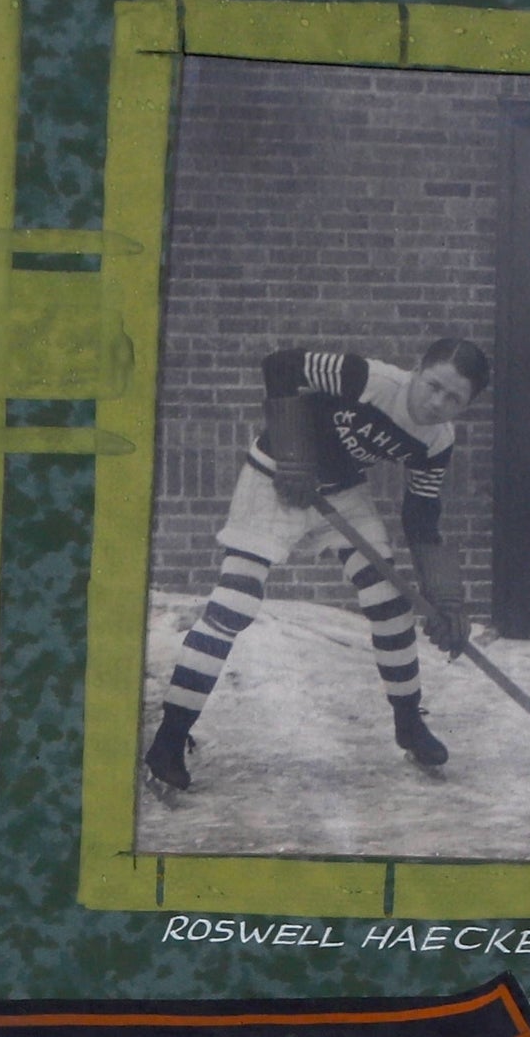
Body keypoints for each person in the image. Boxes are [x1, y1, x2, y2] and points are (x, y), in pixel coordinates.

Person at [144, 337, 491, 791]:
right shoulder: (368, 379)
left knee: (391, 606)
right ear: (417, 370)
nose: (437, 403)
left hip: (342, 490)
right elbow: (281, 366)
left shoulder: (437, 442)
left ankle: (409, 722)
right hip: (275, 475)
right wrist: (293, 455)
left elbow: (421, 517)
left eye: (454, 399)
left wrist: (445, 597)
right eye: (434, 386)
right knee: (234, 604)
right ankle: (170, 739)